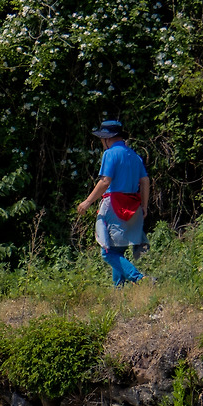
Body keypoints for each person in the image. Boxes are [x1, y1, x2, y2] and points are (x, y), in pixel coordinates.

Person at [75, 120, 150, 287]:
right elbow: (145, 181)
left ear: (107, 139)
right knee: (117, 250)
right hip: (133, 205)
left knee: (107, 252)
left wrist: (87, 202)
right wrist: (144, 206)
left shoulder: (110, 154)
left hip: (114, 205)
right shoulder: (135, 156)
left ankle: (139, 279)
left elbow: (105, 181)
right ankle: (119, 290)